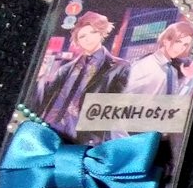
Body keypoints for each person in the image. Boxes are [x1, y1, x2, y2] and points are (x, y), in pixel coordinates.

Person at [34, 11, 130, 144]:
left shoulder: (119, 67)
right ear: (77, 41)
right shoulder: (66, 69)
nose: (88, 38)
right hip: (52, 131)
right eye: (82, 36)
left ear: (101, 33)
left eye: (93, 32)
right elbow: (44, 101)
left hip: (85, 138)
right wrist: (40, 78)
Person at [126, 21, 193, 95]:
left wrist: (188, 78)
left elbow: (173, 98)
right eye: (178, 42)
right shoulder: (144, 65)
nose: (181, 48)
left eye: (185, 45)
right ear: (166, 40)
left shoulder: (172, 71)